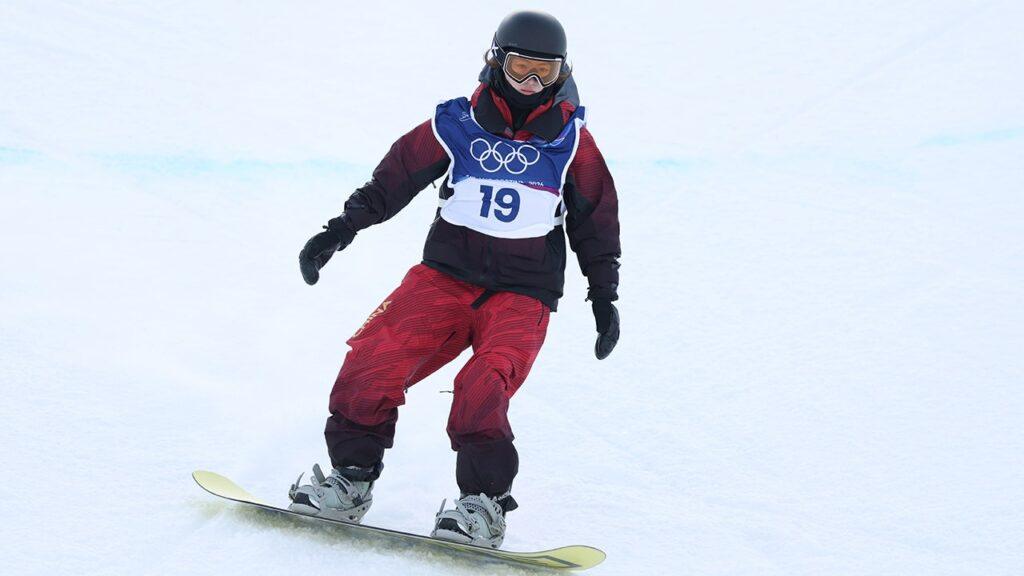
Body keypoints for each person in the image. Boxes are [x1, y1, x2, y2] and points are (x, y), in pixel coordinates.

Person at [288, 10, 621, 549]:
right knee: (374, 356)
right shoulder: (456, 124)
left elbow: (597, 220)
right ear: (496, 61)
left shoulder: (572, 144)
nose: (530, 82)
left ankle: (482, 505)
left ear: (563, 73)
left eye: (544, 71)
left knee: (483, 383)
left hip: (522, 293)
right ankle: (350, 479)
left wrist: (603, 295)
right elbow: (393, 179)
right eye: (520, 67)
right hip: (443, 278)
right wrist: (339, 230)